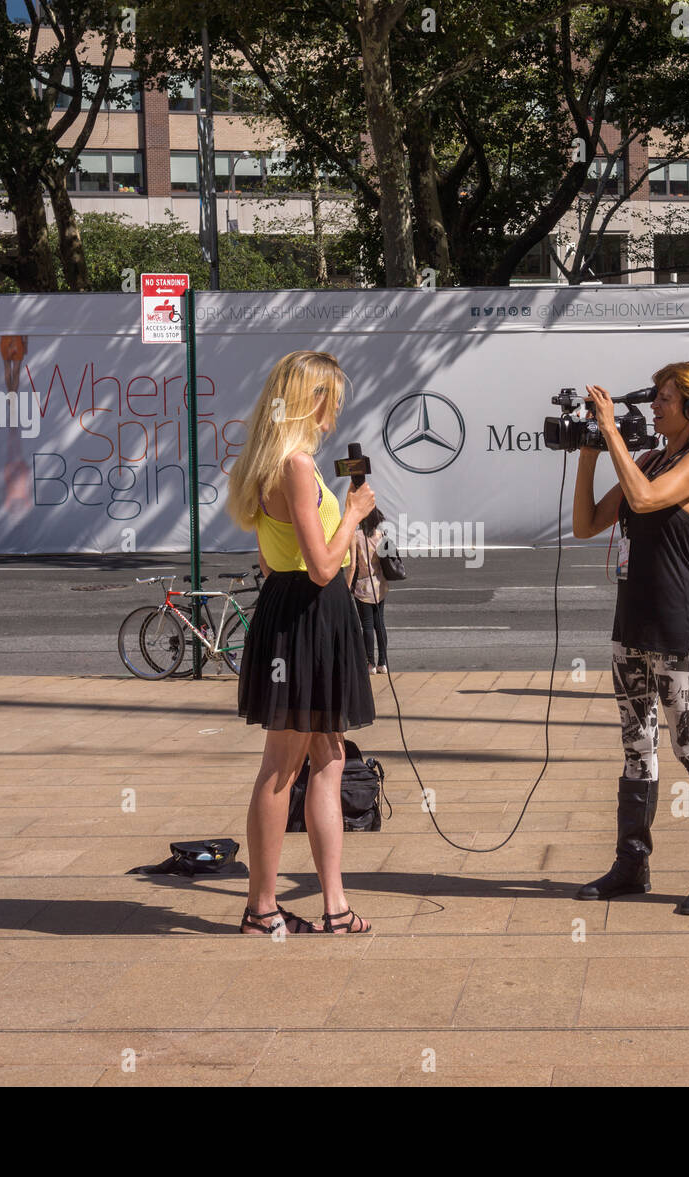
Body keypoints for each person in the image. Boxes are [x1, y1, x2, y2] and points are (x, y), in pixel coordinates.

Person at [571, 360, 689, 916]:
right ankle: (631, 865)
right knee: (635, 749)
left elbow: (644, 501)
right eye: (657, 397)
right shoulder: (647, 459)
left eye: (666, 399)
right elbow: (587, 524)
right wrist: (592, 452)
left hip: (673, 627)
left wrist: (613, 430)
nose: (655, 407)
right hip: (630, 626)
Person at [226, 350, 378, 936]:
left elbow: (271, 560)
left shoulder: (272, 464)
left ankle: (334, 905)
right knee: (284, 766)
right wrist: (355, 513)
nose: (333, 413)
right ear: (311, 399)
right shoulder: (294, 464)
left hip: (298, 615)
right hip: (310, 616)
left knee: (329, 758)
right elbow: (319, 566)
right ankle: (261, 907)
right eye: (330, 399)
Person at [348, 506, 390, 673]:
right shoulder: (381, 536)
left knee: (366, 624)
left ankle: (370, 663)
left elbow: (352, 566)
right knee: (380, 623)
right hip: (380, 584)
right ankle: (383, 662)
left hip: (362, 586)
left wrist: (346, 587)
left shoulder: (355, 536)